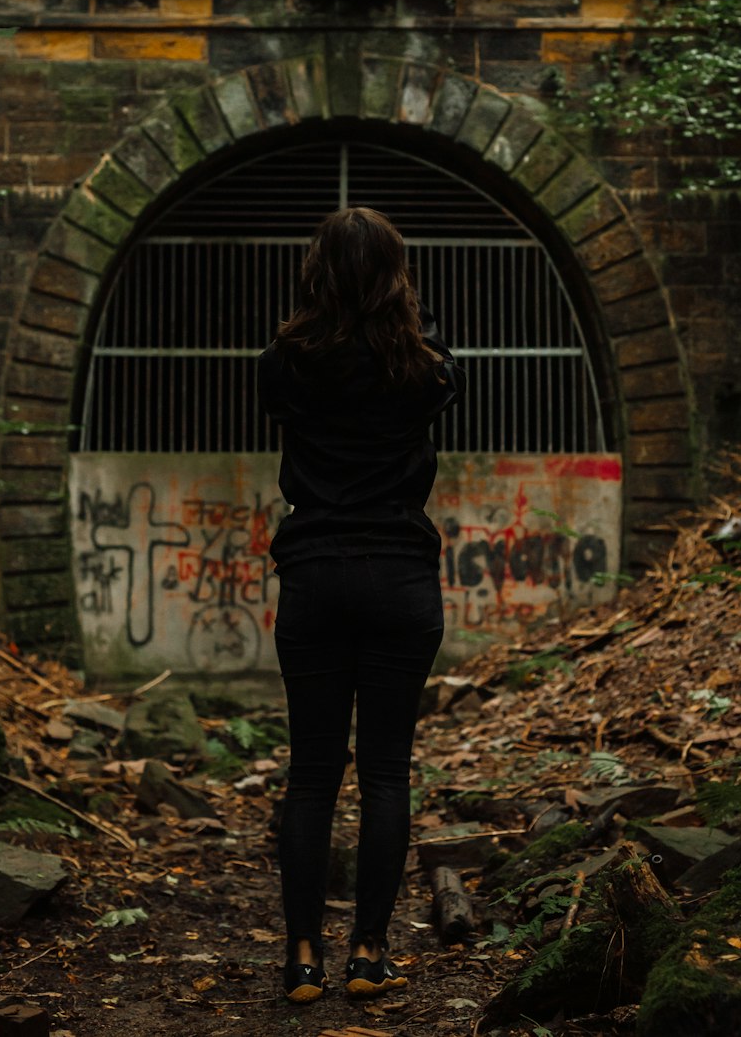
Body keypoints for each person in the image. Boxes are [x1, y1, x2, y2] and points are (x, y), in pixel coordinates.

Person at [257, 205, 464, 1005]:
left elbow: (292, 376)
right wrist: (406, 311)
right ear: (397, 276)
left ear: (315, 272)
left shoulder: (283, 361)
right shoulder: (424, 365)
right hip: (400, 578)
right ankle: (370, 954)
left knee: (312, 775)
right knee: (385, 772)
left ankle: (303, 957)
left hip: (314, 573)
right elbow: (448, 369)